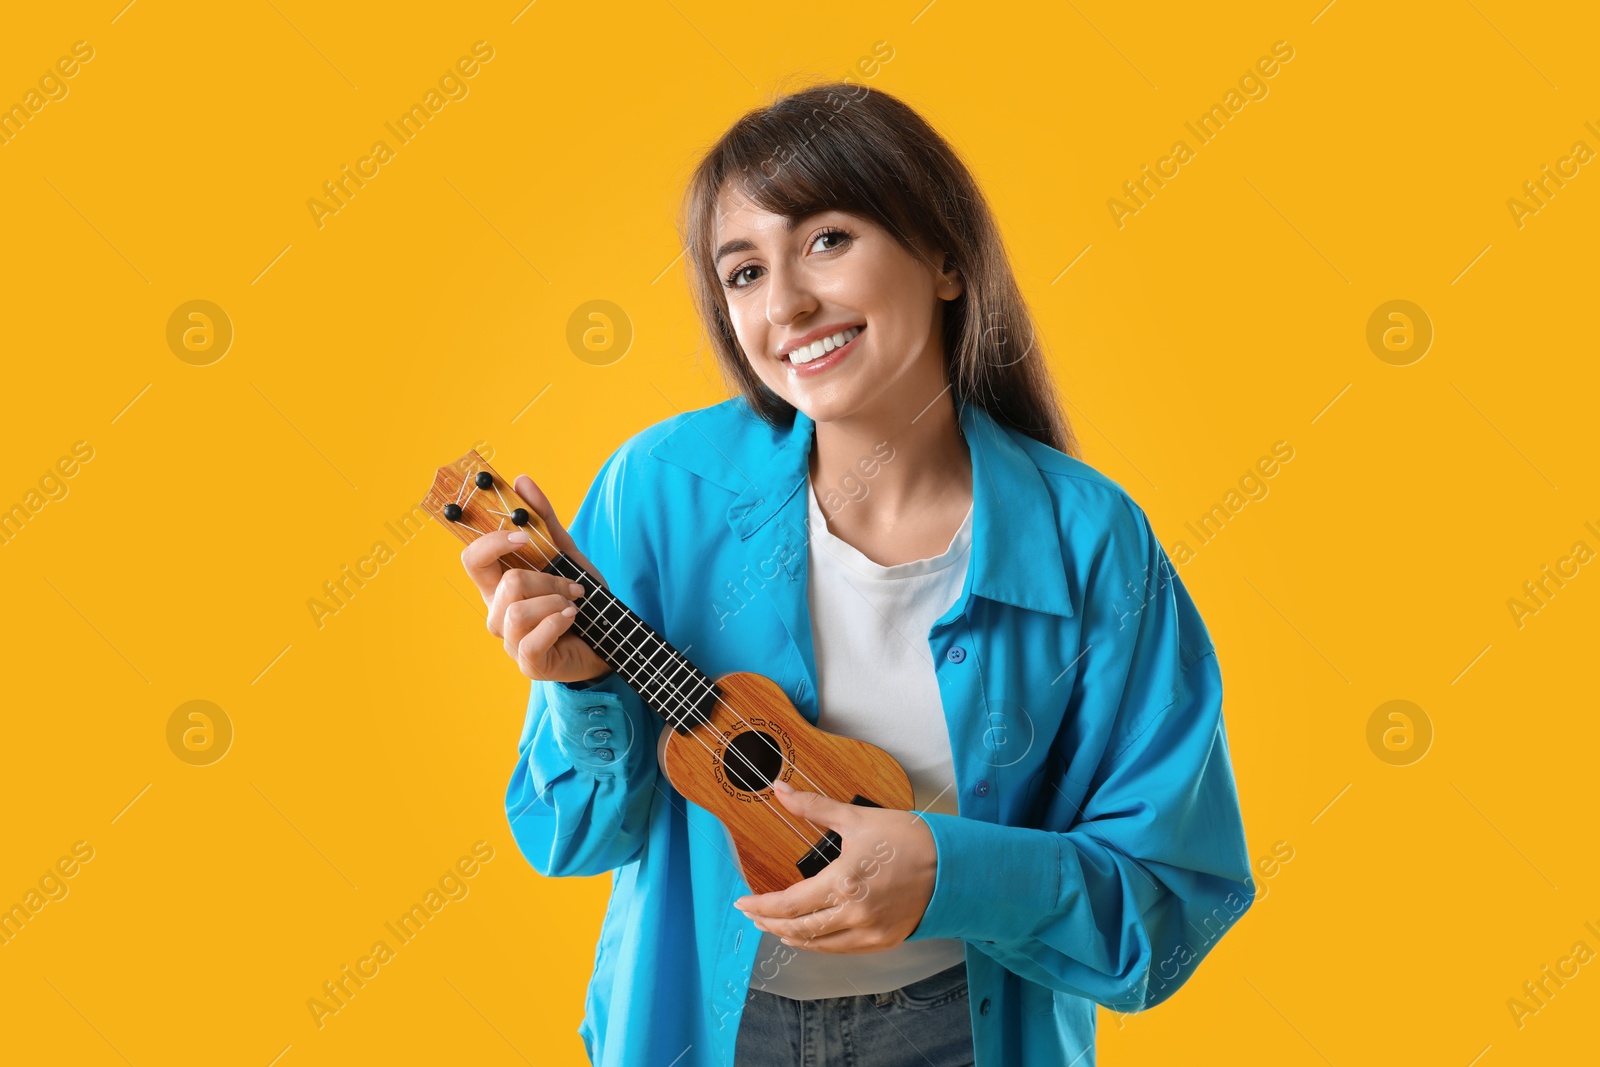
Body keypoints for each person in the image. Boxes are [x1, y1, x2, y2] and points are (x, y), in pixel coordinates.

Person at [460, 81, 1253, 1067]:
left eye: (827, 239)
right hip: (696, 1027)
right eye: (742, 272)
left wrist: (947, 871)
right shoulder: (660, 490)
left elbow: (1170, 902)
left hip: (966, 1033)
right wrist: (580, 686)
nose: (785, 303)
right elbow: (570, 837)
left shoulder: (1091, 542)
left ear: (946, 258)